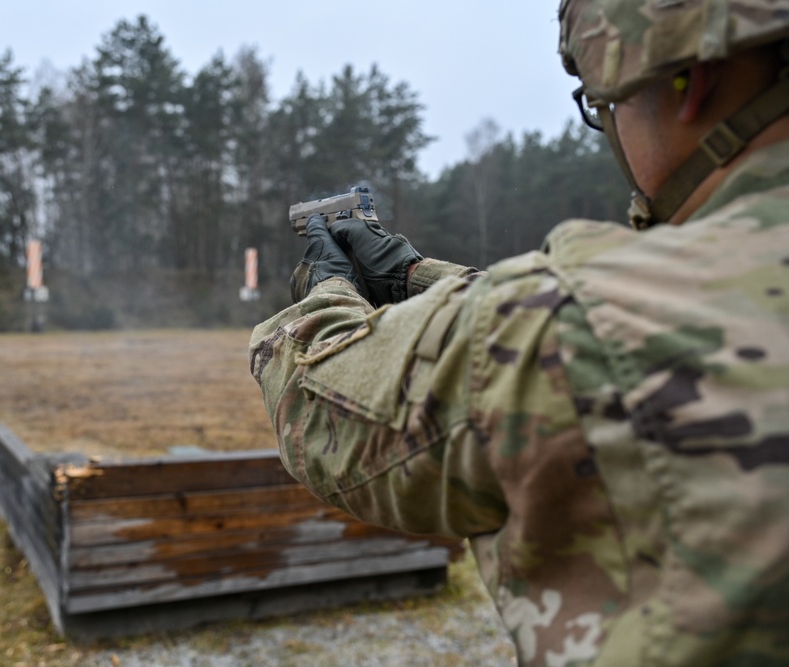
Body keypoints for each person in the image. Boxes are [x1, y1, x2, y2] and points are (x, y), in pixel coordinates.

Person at [249, 1, 789, 665]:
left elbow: (319, 403)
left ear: (690, 80)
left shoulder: (570, 324)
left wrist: (325, 291)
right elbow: (565, 326)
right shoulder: (599, 316)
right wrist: (417, 274)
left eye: (605, 105)